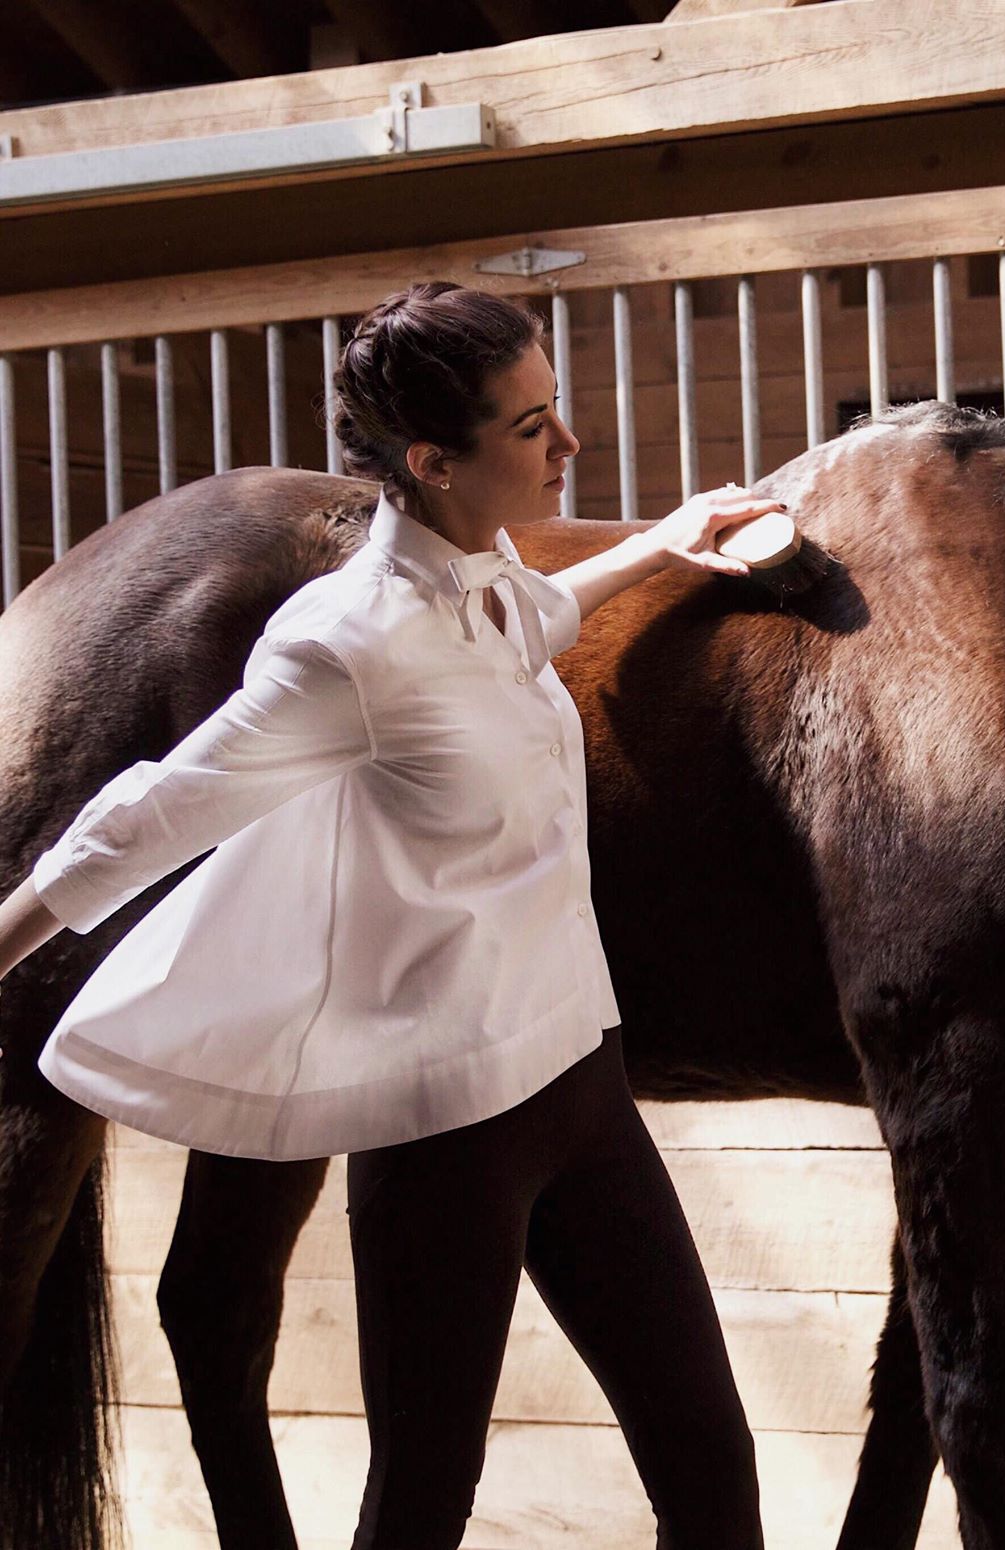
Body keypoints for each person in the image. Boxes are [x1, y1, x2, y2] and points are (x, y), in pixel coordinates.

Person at [0, 280, 780, 1548]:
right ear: (430, 459)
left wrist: (670, 538)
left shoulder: (491, 579)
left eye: (556, 410)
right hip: (443, 1136)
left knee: (711, 1475)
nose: (569, 449)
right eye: (533, 429)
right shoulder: (344, 642)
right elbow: (151, 813)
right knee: (420, 1506)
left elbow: (533, 625)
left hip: (582, 1087)